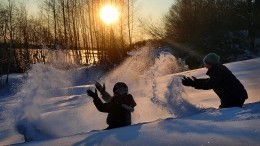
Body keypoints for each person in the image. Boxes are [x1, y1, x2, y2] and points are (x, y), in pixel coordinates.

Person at [181, 53, 248, 108]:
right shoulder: (218, 69)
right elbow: (211, 81)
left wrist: (193, 83)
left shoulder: (218, 71)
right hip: (234, 96)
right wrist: (196, 81)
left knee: (225, 113)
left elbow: (209, 85)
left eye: (206, 64)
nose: (205, 66)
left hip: (235, 97)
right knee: (224, 111)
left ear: (211, 63)